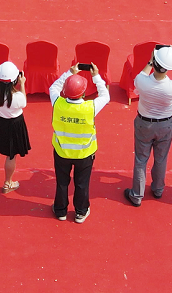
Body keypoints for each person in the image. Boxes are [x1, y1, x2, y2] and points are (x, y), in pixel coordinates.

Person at [49, 63, 109, 223]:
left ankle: (60, 211)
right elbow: (105, 95)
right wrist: (96, 76)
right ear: (83, 93)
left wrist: (69, 73)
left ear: (65, 91)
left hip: (62, 152)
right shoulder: (90, 107)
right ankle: (81, 212)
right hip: (84, 154)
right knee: (82, 183)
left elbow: (53, 88)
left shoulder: (58, 103)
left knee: (62, 183)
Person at [125, 45, 172, 207]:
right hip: (165, 125)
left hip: (144, 124)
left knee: (141, 159)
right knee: (161, 159)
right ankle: (158, 189)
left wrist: (151, 61)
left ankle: (137, 195)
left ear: (154, 62)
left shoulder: (142, 81)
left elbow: (141, 75)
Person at [0, 61, 31, 194]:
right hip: (14, 124)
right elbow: (23, 102)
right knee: (11, 155)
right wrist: (22, 84)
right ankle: (7, 183)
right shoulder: (17, 97)